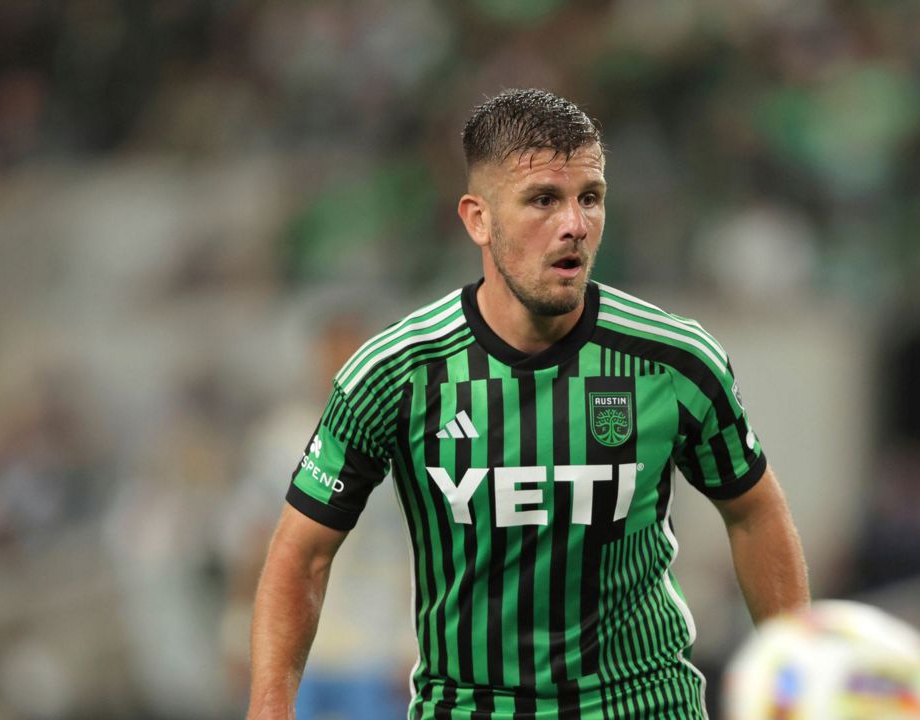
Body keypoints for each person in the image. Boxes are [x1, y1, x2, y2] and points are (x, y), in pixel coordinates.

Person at [248, 88, 809, 719]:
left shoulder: (675, 359)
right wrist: (270, 708)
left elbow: (755, 512)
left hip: (642, 707)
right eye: (544, 199)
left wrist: (800, 686)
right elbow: (301, 551)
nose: (574, 224)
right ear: (477, 218)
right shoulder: (394, 373)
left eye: (589, 198)